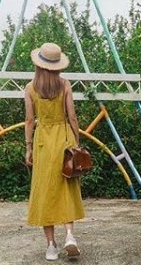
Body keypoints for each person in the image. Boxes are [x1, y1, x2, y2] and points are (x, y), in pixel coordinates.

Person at [25, 42, 85, 261]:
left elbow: (29, 120)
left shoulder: (30, 88)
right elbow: (72, 117)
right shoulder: (65, 84)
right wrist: (76, 141)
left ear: (39, 65)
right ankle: (69, 235)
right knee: (66, 188)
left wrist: (28, 147)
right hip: (63, 139)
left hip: (42, 142)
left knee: (45, 191)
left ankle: (51, 246)